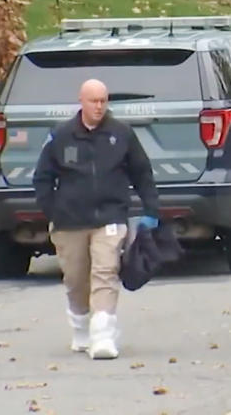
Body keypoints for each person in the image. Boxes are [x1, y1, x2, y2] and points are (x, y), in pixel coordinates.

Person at [33, 79, 159, 360]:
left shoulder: (121, 134)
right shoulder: (61, 136)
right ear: (81, 101)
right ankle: (80, 327)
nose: (99, 106)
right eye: (94, 101)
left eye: (103, 100)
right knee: (76, 279)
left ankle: (102, 334)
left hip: (110, 217)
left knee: (105, 271)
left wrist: (151, 210)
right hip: (69, 222)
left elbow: (142, 173)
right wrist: (54, 211)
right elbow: (42, 178)